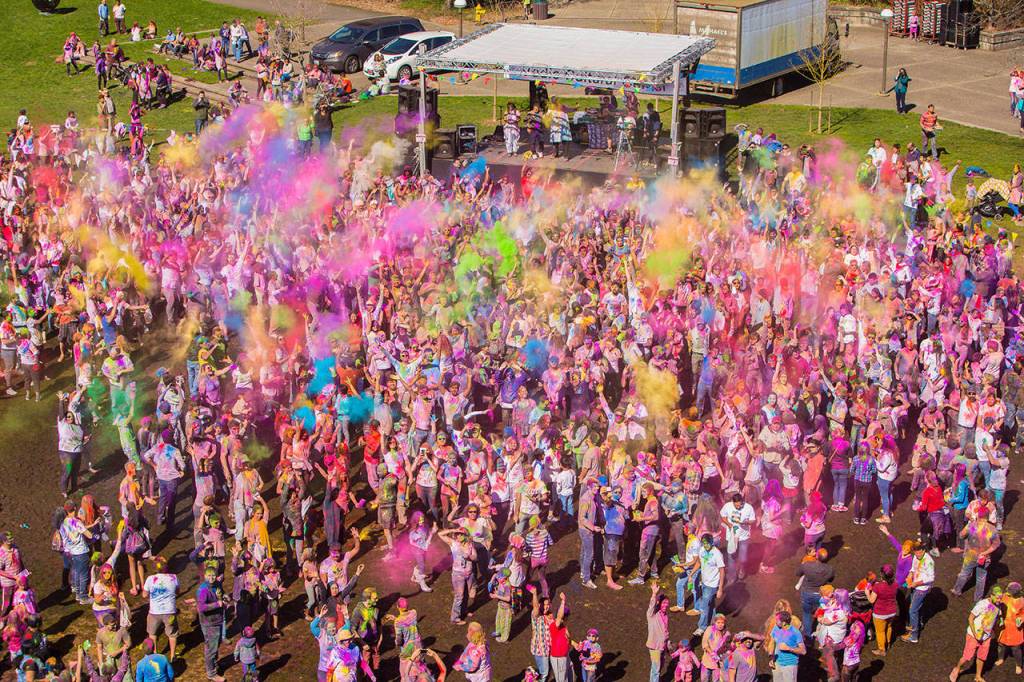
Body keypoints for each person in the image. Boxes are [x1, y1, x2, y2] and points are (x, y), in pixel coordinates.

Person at [948, 593, 1000, 682]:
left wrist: (995, 633)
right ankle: (957, 668)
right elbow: (970, 618)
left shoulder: (997, 607)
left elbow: (992, 622)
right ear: (992, 595)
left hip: (986, 637)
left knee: (982, 657)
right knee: (967, 656)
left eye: (1000, 598)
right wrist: (975, 634)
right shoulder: (982, 604)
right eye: (998, 598)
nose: (999, 600)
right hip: (974, 635)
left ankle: (978, 676)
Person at [142, 556, 178, 661]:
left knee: (153, 633)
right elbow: (177, 591)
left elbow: (144, 595)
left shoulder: (150, 579)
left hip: (154, 612)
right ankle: (173, 656)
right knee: (172, 634)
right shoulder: (174, 577)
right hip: (170, 611)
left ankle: (154, 654)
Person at [902, 542, 934, 644]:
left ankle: (913, 636)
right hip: (914, 585)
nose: (917, 555)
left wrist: (917, 583)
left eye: (919, 553)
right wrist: (910, 575)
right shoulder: (916, 557)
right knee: (916, 607)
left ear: (924, 551)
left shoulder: (929, 561)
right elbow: (913, 568)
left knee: (912, 611)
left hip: (921, 588)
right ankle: (917, 624)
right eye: (915, 553)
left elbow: (931, 577)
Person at [694, 533, 725, 635]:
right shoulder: (702, 550)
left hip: (712, 585)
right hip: (704, 582)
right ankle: (714, 622)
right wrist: (691, 574)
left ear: (712, 542)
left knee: (703, 606)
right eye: (704, 543)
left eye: (707, 543)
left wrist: (720, 589)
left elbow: (722, 571)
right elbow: (699, 563)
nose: (706, 545)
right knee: (710, 604)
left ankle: (702, 627)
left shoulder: (717, 554)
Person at [768, 611, 805, 682]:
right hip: (777, 663)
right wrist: (771, 658)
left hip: (789, 665)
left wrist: (788, 648)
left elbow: (803, 651)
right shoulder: (776, 628)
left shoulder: (795, 633)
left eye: (777, 620)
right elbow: (772, 642)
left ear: (784, 623)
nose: (775, 621)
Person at [646, 582, 671, 682]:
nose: (666, 605)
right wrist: (654, 594)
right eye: (664, 603)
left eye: (667, 603)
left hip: (662, 646)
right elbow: (651, 605)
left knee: (660, 666)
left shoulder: (666, 616)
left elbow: (665, 631)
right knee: (656, 668)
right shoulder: (652, 614)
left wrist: (667, 643)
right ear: (659, 603)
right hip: (655, 647)